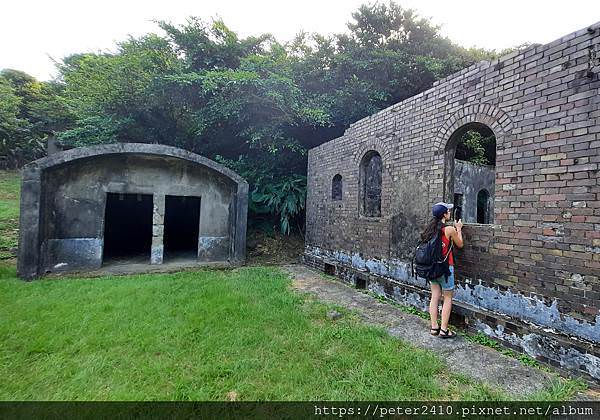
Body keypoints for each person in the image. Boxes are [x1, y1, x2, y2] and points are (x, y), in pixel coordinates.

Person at [421, 202, 463, 338]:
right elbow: (460, 245)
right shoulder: (449, 230)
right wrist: (459, 229)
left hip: (432, 268)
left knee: (434, 297)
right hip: (445, 269)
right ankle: (444, 330)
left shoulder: (429, 229)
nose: (450, 213)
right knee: (448, 298)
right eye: (448, 211)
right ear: (444, 214)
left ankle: (434, 328)